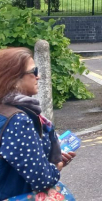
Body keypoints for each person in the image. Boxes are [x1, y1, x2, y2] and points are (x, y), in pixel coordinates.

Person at [0, 48, 75, 199]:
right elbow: (42, 178)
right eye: (33, 71)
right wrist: (56, 166)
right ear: (14, 78)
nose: (38, 76)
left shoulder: (5, 110)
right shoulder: (18, 121)